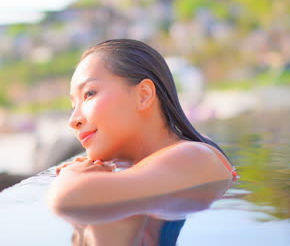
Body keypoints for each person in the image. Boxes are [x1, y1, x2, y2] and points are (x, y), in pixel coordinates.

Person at [48, 39, 238, 245]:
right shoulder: (166, 159)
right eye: (73, 105)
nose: (73, 120)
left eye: (89, 94)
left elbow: (70, 199)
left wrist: (72, 176)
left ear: (143, 95)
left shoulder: (193, 156)